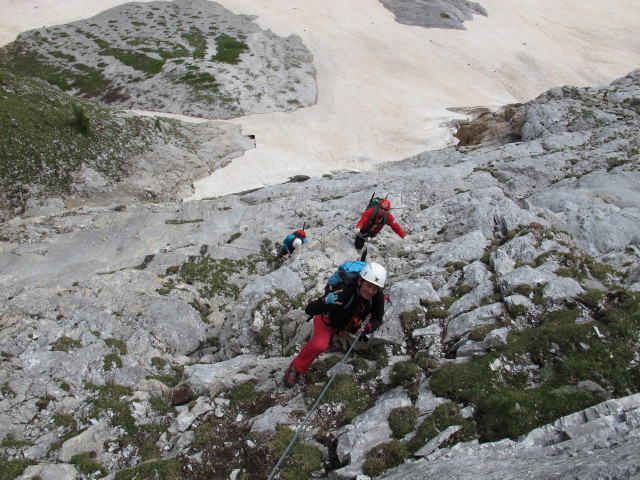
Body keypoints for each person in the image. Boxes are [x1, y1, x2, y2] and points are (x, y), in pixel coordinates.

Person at [284, 262, 387, 387]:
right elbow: (309, 310)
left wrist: (368, 328)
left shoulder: (377, 296)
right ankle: (296, 367)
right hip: (329, 318)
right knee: (319, 345)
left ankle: (341, 331)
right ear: (360, 281)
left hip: (350, 321)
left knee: (354, 329)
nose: (370, 291)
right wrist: (325, 301)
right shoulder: (344, 290)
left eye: (375, 288)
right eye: (368, 285)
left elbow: (377, 318)